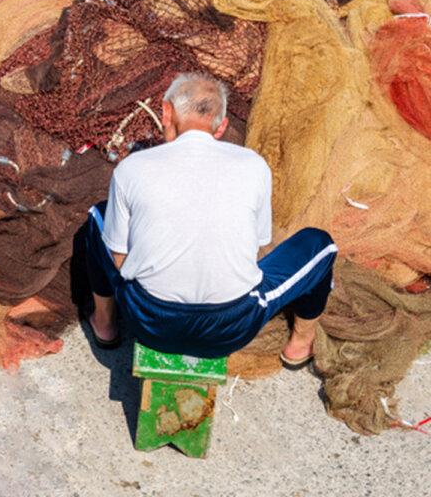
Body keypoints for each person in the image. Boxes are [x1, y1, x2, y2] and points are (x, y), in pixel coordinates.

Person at [82, 72, 337, 367]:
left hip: (150, 324)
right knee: (321, 244)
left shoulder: (132, 168)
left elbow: (119, 261)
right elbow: (256, 246)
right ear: (221, 127)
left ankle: (105, 325)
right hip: (231, 329)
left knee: (96, 216)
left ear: (166, 111)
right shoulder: (254, 165)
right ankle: (300, 345)